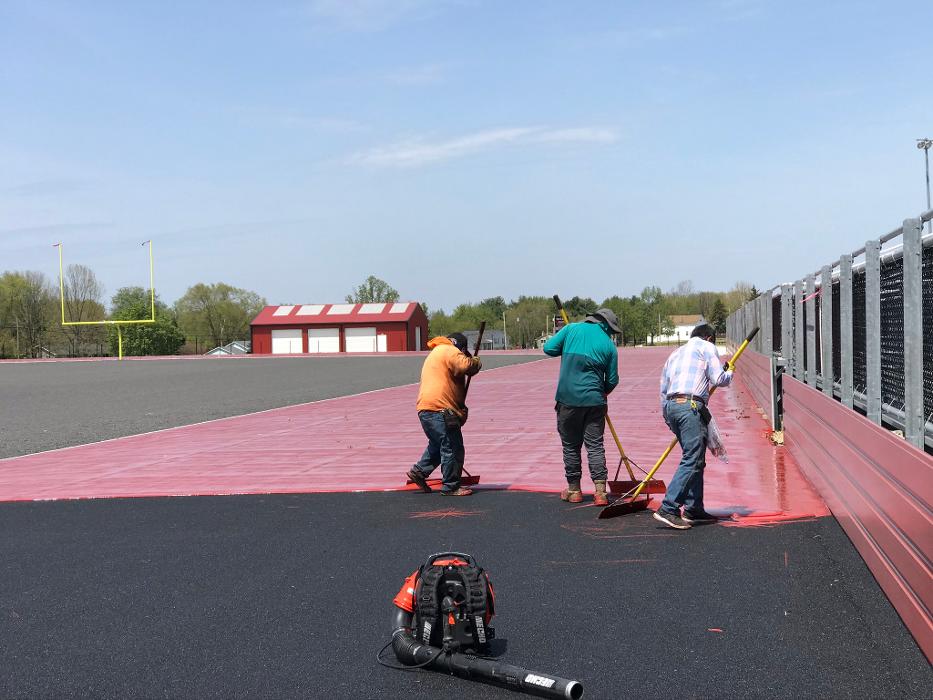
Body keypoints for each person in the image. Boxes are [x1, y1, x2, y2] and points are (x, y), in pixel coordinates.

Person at [654, 323, 733, 530]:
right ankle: (669, 507)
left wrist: (668, 416)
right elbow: (719, 378)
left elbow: (663, 389)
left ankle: (694, 508)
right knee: (693, 458)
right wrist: (730, 372)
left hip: (673, 406)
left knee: (695, 458)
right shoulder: (706, 347)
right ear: (709, 338)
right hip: (690, 407)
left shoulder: (675, 353)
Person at [543, 308, 620, 506]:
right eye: (611, 330)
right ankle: (600, 492)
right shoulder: (609, 346)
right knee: (595, 446)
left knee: (570, 446)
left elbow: (548, 348)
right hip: (595, 402)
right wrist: (602, 392)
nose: (611, 334)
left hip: (568, 400)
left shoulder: (571, 329)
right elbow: (612, 380)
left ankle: (574, 490)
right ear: (604, 324)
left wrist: (566, 341)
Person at [406, 332, 482, 496]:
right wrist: (475, 362)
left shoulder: (437, 352)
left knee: (438, 444)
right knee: (453, 447)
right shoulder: (449, 350)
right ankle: (451, 486)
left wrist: (459, 410)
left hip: (426, 409)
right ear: (461, 348)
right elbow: (465, 366)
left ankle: (419, 471)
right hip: (440, 409)